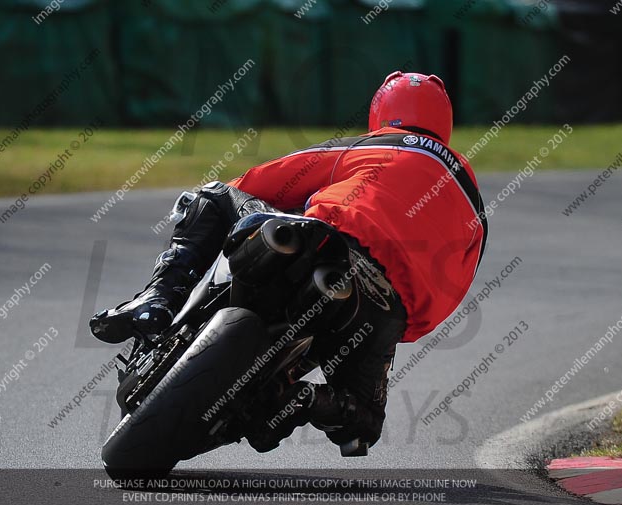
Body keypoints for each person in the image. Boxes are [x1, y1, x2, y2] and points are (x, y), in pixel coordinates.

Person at [90, 71, 488, 453]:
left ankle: (157, 297)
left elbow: (259, 181)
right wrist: (398, 325)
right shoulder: (477, 214)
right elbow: (452, 292)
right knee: (362, 422)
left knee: (212, 195)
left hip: (324, 241)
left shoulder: (379, 145)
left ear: (380, 114)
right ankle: (306, 400)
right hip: (383, 310)